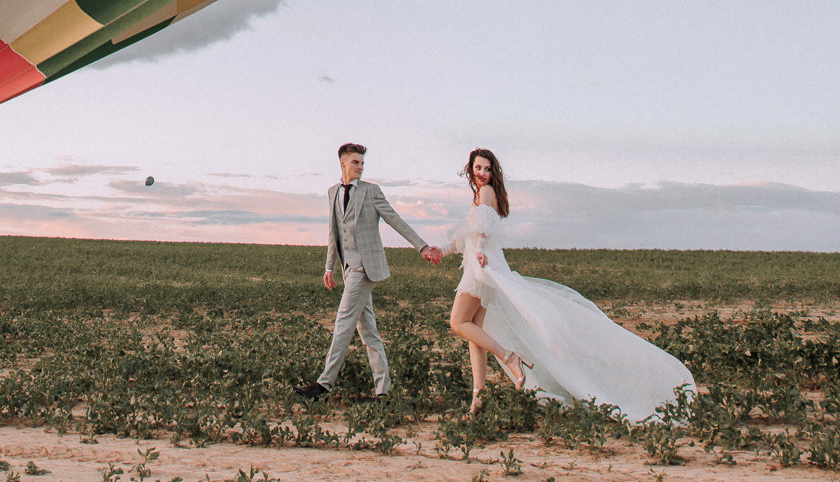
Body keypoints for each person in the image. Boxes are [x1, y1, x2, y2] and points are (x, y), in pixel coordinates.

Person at [443, 147, 696, 422]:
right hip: (484, 268)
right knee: (475, 334)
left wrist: (480, 249)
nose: (482, 174)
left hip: (479, 269)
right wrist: (439, 251)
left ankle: (510, 357)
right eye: (478, 168)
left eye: (487, 169)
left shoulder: (485, 193)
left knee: (458, 323)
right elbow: (465, 237)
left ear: (493, 173)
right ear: (471, 169)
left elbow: (481, 231)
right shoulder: (482, 195)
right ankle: (477, 397)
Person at [296, 143, 443, 402]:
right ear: (343, 163)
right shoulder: (332, 192)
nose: (361, 167)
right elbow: (334, 232)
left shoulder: (371, 192)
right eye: (355, 162)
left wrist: (421, 247)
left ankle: (324, 385)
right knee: (368, 331)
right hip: (347, 267)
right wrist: (329, 267)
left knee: (343, 322)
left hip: (365, 268)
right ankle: (383, 391)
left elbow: (395, 219)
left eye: (362, 163)